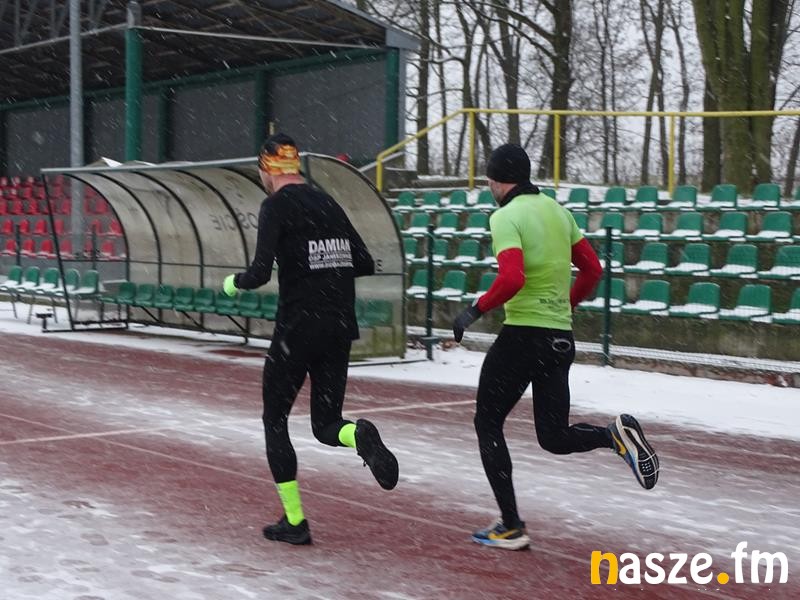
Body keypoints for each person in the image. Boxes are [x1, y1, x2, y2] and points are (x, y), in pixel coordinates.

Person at [452, 143, 659, 551]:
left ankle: (511, 525)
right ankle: (613, 436)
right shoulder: (558, 212)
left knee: (487, 423)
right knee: (553, 435)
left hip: (522, 336)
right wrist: (567, 305)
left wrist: (474, 310)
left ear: (498, 180)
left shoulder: (505, 216)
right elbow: (593, 269)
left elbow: (512, 279)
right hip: (559, 338)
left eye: (489, 181)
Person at [223, 133, 399, 546]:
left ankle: (295, 521)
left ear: (267, 169)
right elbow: (363, 261)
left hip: (298, 327)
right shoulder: (327, 202)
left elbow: (259, 272)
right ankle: (359, 435)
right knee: (326, 423)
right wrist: (325, 264)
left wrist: (234, 283)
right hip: (339, 325)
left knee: (275, 420)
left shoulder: (274, 206)